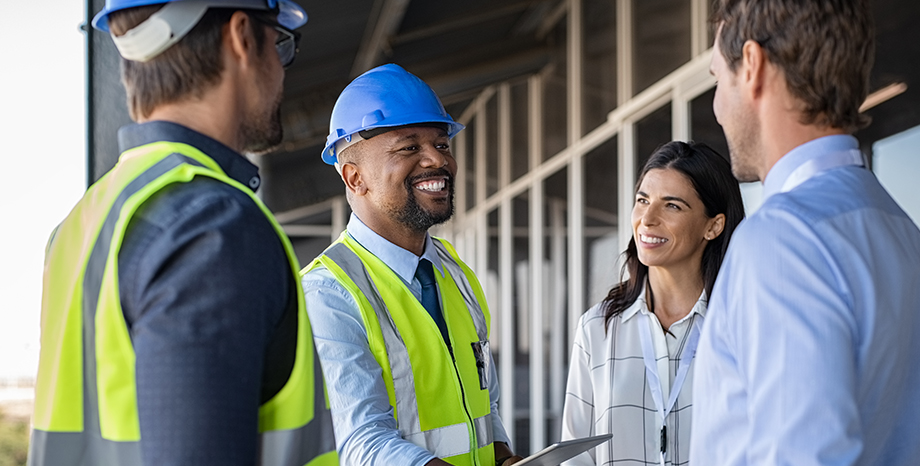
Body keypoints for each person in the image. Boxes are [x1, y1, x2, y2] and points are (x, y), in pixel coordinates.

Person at [29, 1, 336, 465]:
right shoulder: (213, 227)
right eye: (280, 44)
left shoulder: (83, 220)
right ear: (241, 36)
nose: (280, 70)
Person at [692, 0, 920, 464]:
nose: (716, 108)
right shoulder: (901, 231)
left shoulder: (780, 242)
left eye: (717, 79)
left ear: (751, 65)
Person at [301, 63, 523, 466]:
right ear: (354, 178)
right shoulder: (328, 293)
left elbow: (482, 405)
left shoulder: (454, 272)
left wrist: (504, 455)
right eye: (409, 148)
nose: (436, 161)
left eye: (441, 145)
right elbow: (361, 440)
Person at [560, 141, 744, 466]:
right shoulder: (596, 329)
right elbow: (576, 455)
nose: (647, 219)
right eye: (642, 200)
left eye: (671, 206)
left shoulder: (743, 325)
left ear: (713, 226)